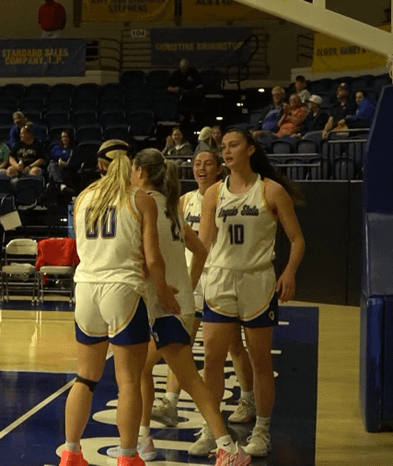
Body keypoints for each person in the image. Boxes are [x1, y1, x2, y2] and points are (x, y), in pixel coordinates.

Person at [103, 148, 251, 464]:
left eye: (133, 169)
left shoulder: (141, 205)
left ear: (141, 172)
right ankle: (154, 440)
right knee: (165, 375)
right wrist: (188, 286)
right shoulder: (170, 208)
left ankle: (220, 447)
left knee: (150, 374)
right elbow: (200, 251)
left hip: (162, 304)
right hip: (174, 303)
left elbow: (147, 260)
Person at [58, 144, 181, 466]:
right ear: (132, 165)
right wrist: (163, 291)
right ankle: (128, 456)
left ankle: (70, 452)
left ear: (101, 165)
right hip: (123, 289)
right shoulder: (140, 199)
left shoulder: (83, 197)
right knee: (129, 382)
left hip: (86, 288)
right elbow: (153, 258)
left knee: (85, 377)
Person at [197, 128, 305, 458]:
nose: (227, 151)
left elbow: (297, 240)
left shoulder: (270, 190)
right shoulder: (214, 193)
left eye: (233, 145)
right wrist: (188, 283)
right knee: (212, 360)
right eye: (223, 147)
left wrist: (289, 271)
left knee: (260, 361)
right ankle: (211, 429)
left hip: (257, 281)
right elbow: (203, 245)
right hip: (220, 280)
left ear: (250, 149)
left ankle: (262, 430)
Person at [156, 151, 256, 438]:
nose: (200, 168)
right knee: (180, 342)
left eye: (207, 163)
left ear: (218, 169)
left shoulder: (225, 196)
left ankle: (247, 398)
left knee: (234, 345)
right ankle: (170, 402)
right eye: (197, 163)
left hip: (218, 277)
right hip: (192, 279)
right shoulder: (184, 200)